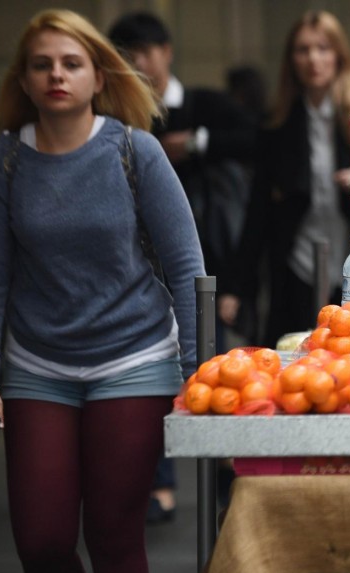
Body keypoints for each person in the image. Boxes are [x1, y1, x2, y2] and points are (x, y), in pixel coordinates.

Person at [0, 9, 204, 573]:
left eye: (71, 63)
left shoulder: (135, 151)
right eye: (42, 64)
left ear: (98, 76)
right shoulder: (4, 161)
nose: (56, 75)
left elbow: (185, 264)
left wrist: (196, 373)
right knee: (41, 539)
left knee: (112, 534)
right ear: (24, 77)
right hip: (38, 364)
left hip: (133, 360)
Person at [109, 11, 258, 522]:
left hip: (203, 262)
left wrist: (196, 142)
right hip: (135, 269)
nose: (140, 63)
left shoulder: (201, 105)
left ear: (168, 51)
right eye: (127, 55)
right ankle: (159, 482)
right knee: (150, 374)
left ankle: (220, 469)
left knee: (204, 366)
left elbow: (255, 137)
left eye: (146, 51)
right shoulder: (115, 116)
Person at [221, 10, 350, 348]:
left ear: (339, 55)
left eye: (323, 48)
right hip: (296, 262)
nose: (313, 58)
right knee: (297, 354)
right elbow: (257, 211)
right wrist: (236, 286)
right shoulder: (277, 121)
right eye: (303, 49)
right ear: (291, 59)